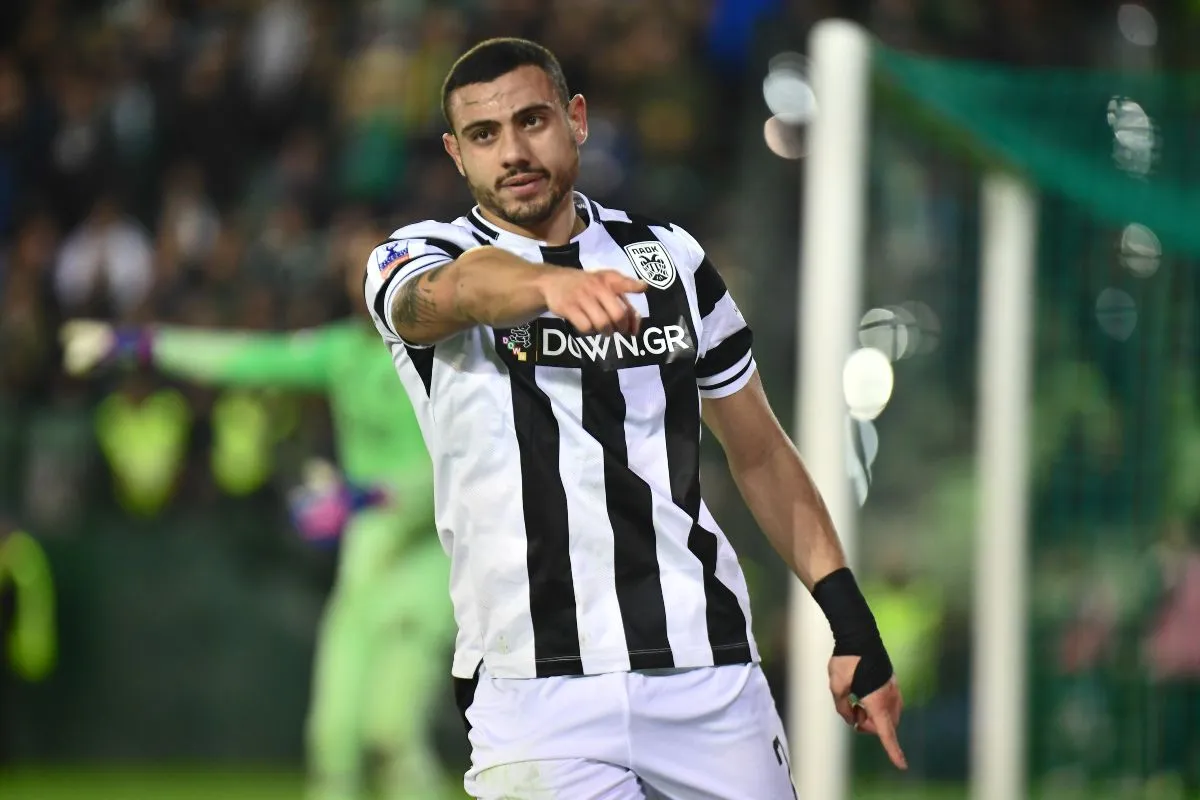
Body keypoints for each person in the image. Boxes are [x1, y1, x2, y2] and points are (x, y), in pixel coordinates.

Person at [361, 37, 907, 799]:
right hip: (535, 689)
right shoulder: (420, 253)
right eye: (484, 135)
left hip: (708, 669)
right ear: (456, 154)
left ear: (577, 120)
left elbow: (759, 452)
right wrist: (545, 286)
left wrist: (851, 623)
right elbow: (454, 292)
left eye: (532, 121)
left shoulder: (670, 258)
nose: (512, 152)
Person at [58, 253, 456, 800]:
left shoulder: (448, 357)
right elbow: (245, 359)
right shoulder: (342, 351)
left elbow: (461, 467)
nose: (372, 284)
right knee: (331, 739)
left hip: (427, 559)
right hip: (366, 555)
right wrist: (139, 344)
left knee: (390, 736)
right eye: (363, 273)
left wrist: (366, 495)